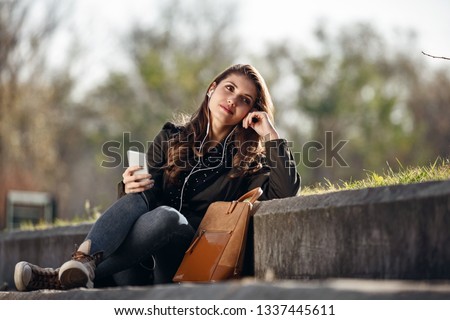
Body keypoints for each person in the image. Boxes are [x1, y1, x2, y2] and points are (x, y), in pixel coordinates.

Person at [13, 63, 301, 291]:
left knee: (168, 217)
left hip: (187, 261)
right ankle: (81, 265)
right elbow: (142, 202)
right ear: (211, 89)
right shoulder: (170, 137)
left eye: (245, 99)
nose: (233, 100)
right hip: (134, 268)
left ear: (250, 112)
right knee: (141, 193)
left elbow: (286, 193)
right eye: (229, 88)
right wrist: (129, 186)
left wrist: (270, 135)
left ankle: (58, 275)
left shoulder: (247, 162)